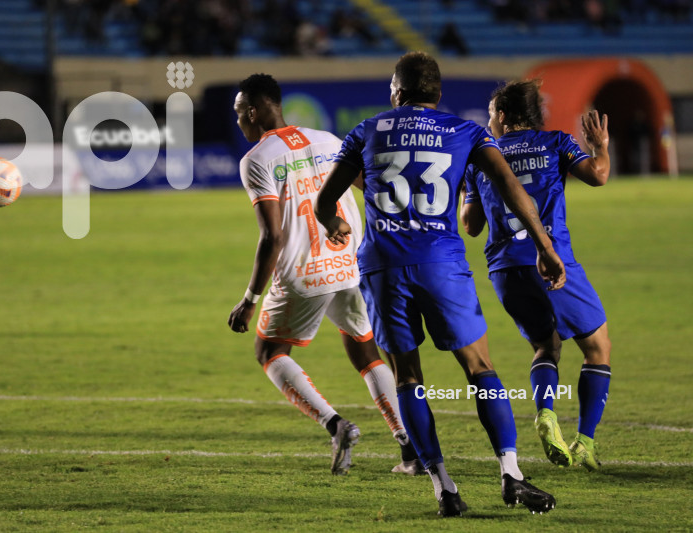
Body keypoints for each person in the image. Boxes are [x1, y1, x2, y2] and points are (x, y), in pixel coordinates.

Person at [315, 51, 564, 516]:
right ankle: (511, 475)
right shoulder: (465, 131)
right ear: (438, 94)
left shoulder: (367, 130)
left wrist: (335, 225)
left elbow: (325, 200)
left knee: (408, 376)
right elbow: (512, 187)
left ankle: (444, 489)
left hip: (384, 266)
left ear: (397, 92)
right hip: (441, 263)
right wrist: (545, 247)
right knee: (480, 367)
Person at [227, 73, 421, 476]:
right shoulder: (329, 140)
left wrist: (249, 299)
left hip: (302, 272)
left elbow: (273, 235)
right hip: (350, 262)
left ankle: (336, 425)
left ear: (253, 110)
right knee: (365, 350)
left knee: (271, 352)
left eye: (239, 113)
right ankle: (410, 447)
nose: (238, 122)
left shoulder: (256, 160)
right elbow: (370, 189)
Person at [461, 79, 611, 471]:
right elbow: (598, 175)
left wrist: (469, 186)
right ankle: (587, 442)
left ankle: (546, 413)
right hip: (553, 262)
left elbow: (471, 225)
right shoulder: (556, 143)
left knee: (546, 347)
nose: (490, 120)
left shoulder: (482, 156)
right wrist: (600, 147)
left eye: (492, 113)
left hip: (505, 269)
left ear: (504, 115)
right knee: (597, 348)